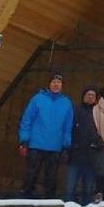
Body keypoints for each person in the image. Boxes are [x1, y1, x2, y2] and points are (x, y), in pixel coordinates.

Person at [17, 71, 73, 199]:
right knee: (31, 176)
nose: (56, 85)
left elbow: (67, 127)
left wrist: (66, 145)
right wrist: (24, 140)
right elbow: (27, 120)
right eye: (54, 82)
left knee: (51, 178)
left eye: (59, 82)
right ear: (49, 84)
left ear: (62, 85)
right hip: (35, 144)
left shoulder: (67, 103)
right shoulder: (37, 99)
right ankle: (25, 199)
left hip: (55, 146)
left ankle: (48, 201)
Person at [64, 85, 101, 204]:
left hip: (91, 156)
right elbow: (68, 128)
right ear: (83, 96)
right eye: (88, 94)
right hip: (75, 154)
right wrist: (69, 147)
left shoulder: (98, 113)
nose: (90, 97)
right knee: (70, 188)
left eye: (93, 95)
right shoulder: (75, 110)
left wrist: (98, 145)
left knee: (88, 189)